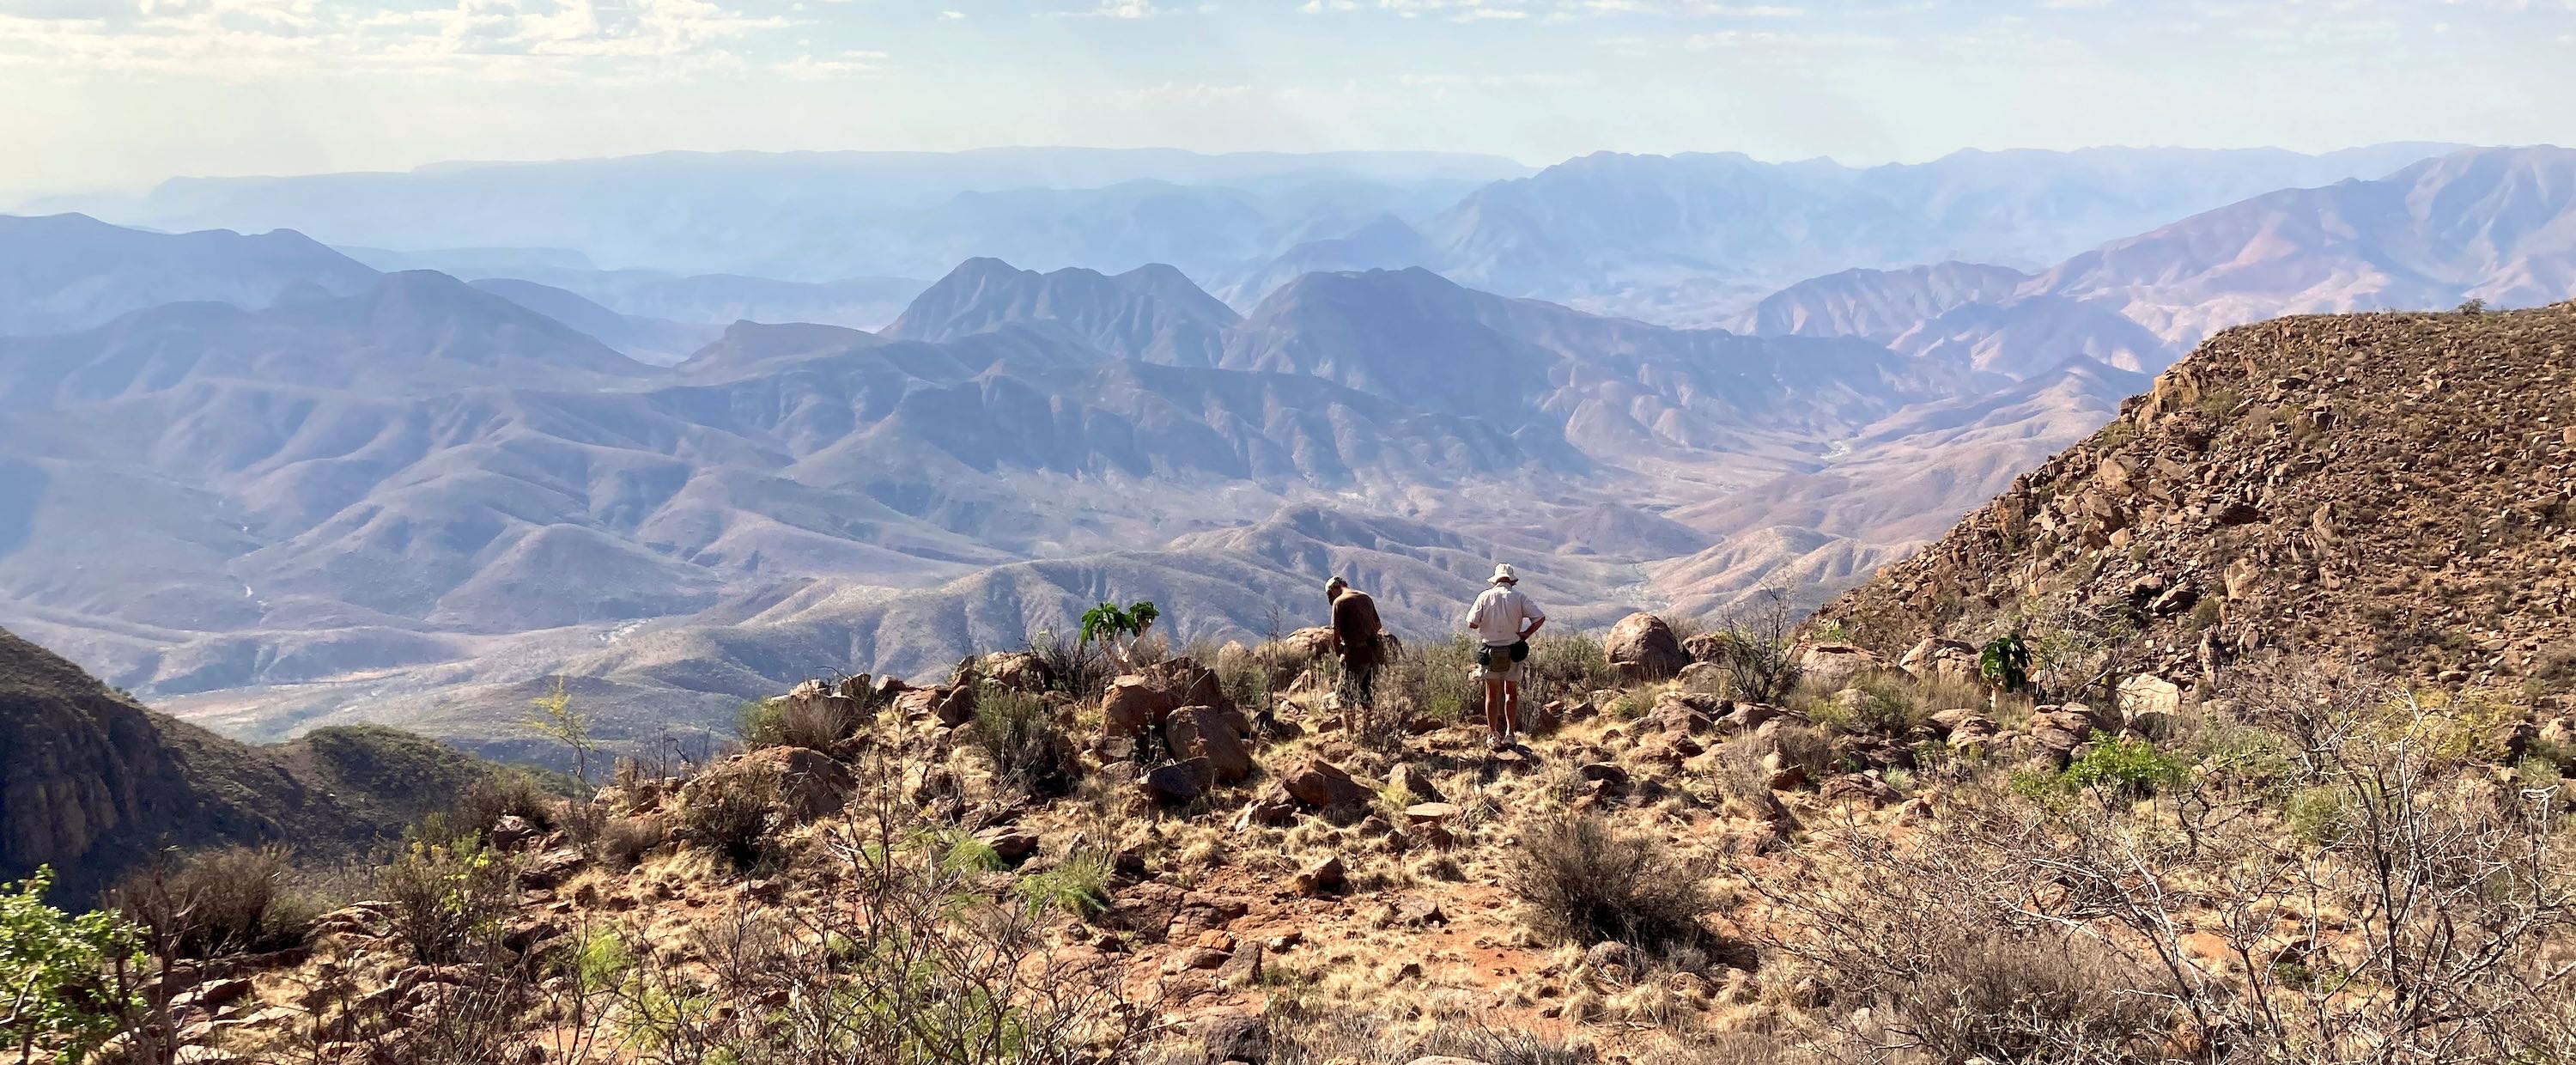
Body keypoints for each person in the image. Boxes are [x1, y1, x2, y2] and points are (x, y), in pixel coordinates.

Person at [1463, 563, 1545, 750]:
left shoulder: (1484, 596)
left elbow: (1471, 623)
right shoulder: (1519, 597)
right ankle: (1510, 734)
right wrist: (1525, 634)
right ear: (1511, 581)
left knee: (1491, 694)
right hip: (1513, 650)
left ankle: (1492, 734)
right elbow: (1539, 618)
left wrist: (1488, 624)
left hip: (1490, 651)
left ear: (1496, 580)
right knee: (1511, 693)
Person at [1325, 576, 1385, 731]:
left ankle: (1351, 735)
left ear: (1333, 590)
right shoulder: (1366, 598)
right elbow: (1378, 625)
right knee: (1367, 693)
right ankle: (1368, 729)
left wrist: (1340, 651)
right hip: (1373, 654)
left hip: (1355, 655)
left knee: (1346, 695)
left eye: (1330, 595)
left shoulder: (1340, 602)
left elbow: (1336, 635)